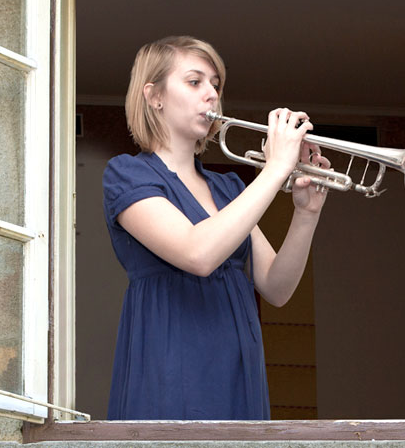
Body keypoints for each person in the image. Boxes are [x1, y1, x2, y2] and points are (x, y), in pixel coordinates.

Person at [101, 35, 330, 420]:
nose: (212, 95)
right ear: (154, 96)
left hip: (239, 367)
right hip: (170, 364)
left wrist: (307, 214)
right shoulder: (126, 174)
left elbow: (277, 287)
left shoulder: (228, 189)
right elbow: (198, 254)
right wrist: (275, 170)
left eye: (216, 84)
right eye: (195, 82)